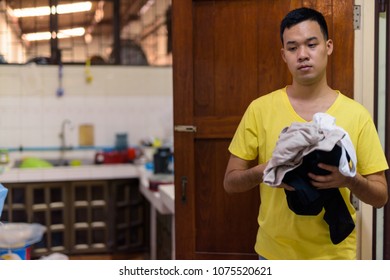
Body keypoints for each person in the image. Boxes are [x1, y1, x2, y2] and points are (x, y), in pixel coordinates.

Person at [223, 7, 388, 260]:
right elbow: (230, 182)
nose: (302, 55)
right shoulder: (260, 109)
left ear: (328, 46)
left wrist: (348, 180)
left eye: (311, 44)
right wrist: (269, 169)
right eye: (293, 48)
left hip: (334, 259)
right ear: (283, 55)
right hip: (273, 255)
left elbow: (380, 196)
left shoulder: (357, 115)